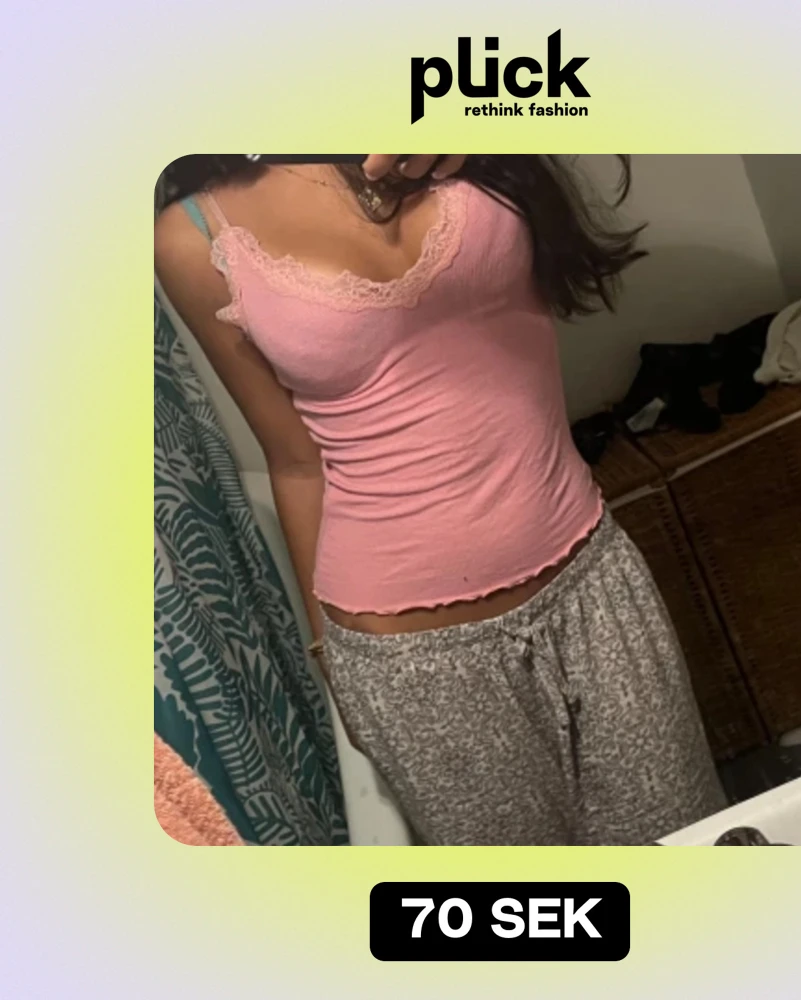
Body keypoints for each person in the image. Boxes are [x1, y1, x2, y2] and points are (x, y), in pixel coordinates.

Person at [154, 153, 725, 846]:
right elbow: (298, 464)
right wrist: (326, 655)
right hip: (411, 661)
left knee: (689, 857)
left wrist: (481, 106)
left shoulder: (446, 105)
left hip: (594, 586)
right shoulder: (192, 233)